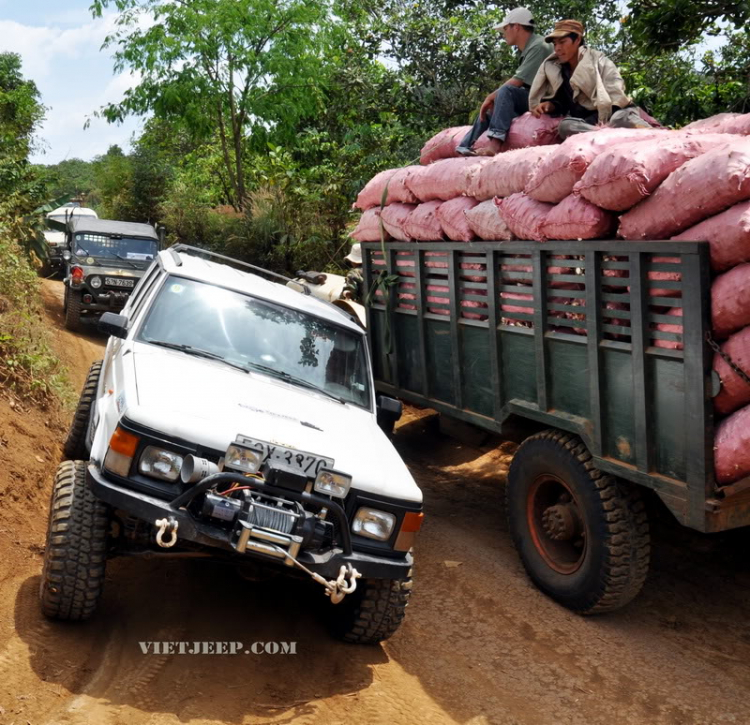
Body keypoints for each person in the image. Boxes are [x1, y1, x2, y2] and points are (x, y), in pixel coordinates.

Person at [528, 19, 651, 140]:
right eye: (555, 44)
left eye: (562, 42)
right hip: (588, 125)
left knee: (621, 119)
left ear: (577, 40)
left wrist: (599, 123)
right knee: (565, 127)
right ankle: (604, 136)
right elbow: (564, 103)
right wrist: (551, 105)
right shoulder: (558, 71)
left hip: (613, 115)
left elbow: (617, 101)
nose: (557, 48)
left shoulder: (601, 63)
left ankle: (603, 135)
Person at [456, 7, 551, 156]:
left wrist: (490, 97)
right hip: (534, 97)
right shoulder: (529, 48)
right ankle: (465, 146)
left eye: (505, 28)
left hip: (548, 101)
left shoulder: (539, 46)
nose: (503, 33)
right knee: (494, 108)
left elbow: (517, 82)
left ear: (517, 27)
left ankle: (494, 145)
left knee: (505, 92)